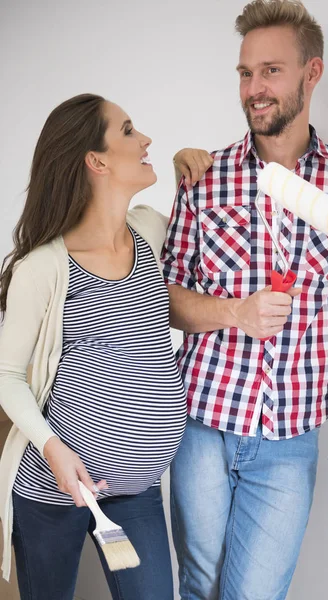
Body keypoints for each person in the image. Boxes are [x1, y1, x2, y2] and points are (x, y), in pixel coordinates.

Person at [162, 1, 328, 599]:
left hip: (290, 434)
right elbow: (166, 301)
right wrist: (235, 312)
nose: (254, 89)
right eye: (245, 72)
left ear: (311, 74)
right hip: (202, 422)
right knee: (199, 585)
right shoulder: (205, 177)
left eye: (271, 71)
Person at [0, 93, 188, 600]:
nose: (145, 138)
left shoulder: (149, 230)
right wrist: (53, 447)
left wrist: (185, 169)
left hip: (136, 490)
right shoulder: (42, 268)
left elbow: (202, 251)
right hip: (49, 489)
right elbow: (6, 376)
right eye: (128, 130)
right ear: (96, 160)